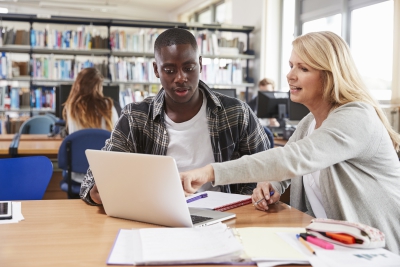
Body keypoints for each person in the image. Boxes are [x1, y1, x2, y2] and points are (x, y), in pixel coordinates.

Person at [180, 31, 400, 254]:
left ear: (330, 75)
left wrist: (211, 172)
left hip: (376, 251)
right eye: (291, 65)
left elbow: (293, 159)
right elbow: (284, 170)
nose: (290, 75)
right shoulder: (309, 123)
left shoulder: (356, 117)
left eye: (303, 68)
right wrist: (272, 185)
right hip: (331, 245)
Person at [80, 28, 270, 205]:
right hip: (156, 214)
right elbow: (91, 180)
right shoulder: (135, 116)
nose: (180, 78)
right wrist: (99, 189)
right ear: (156, 70)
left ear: (201, 64)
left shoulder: (236, 113)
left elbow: (267, 167)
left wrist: (241, 202)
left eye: (189, 68)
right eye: (170, 71)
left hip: (225, 216)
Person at [63, 67, 119, 184]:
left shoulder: (71, 107)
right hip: (104, 175)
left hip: (77, 176)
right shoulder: (108, 106)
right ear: (98, 86)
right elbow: (117, 139)